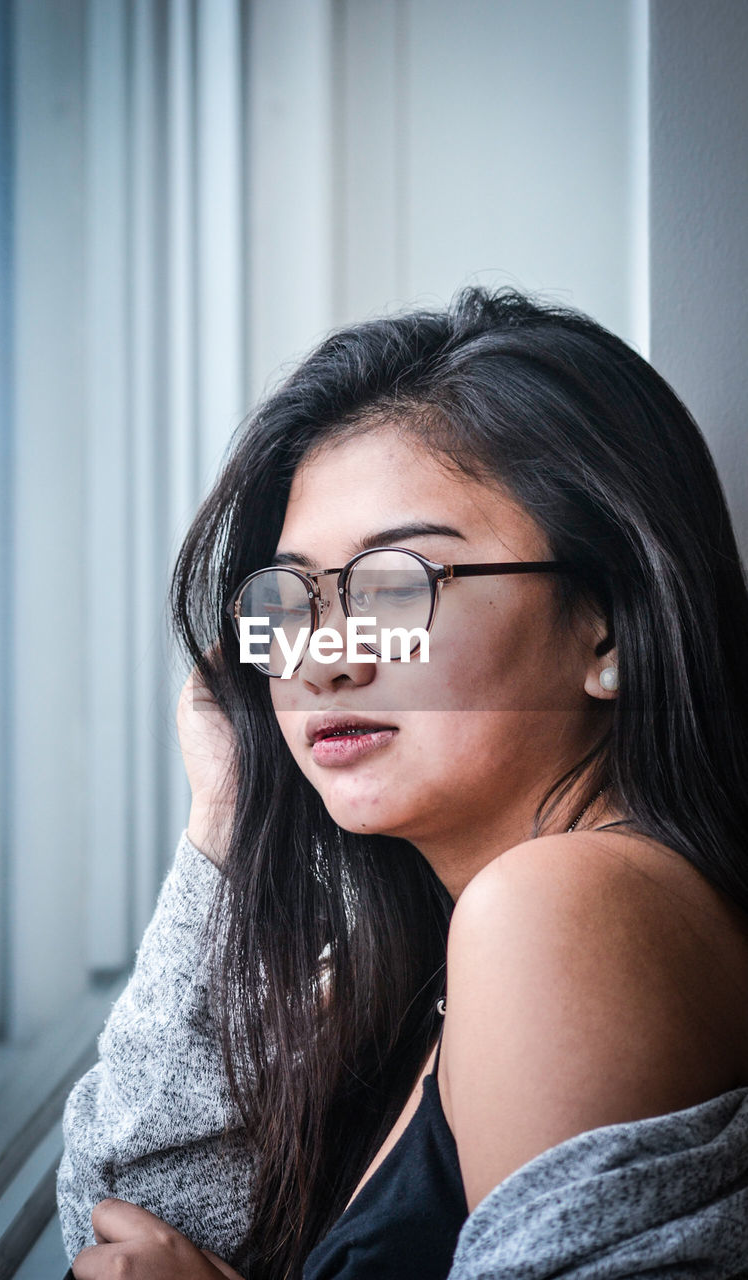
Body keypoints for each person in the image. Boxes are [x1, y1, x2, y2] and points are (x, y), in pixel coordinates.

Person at [58, 287, 748, 1279]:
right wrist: (225, 811)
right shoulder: (420, 957)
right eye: (288, 597)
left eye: (396, 582)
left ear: (606, 627)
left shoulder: (558, 911)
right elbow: (123, 1215)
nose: (323, 658)